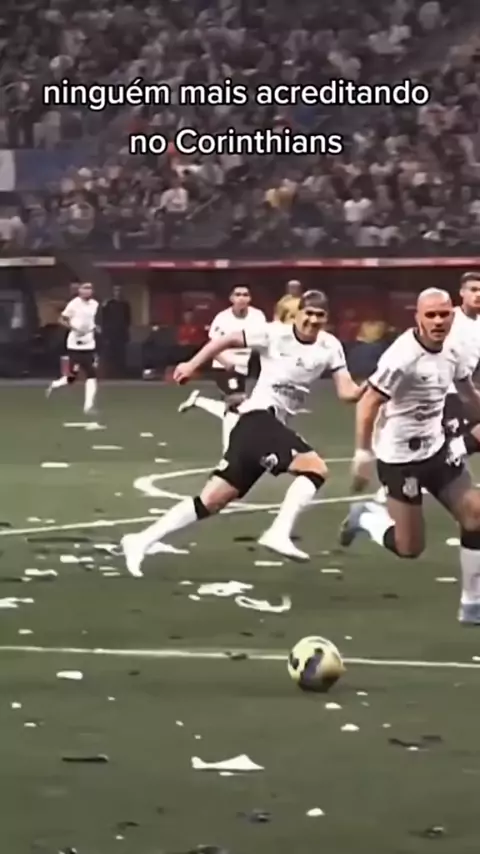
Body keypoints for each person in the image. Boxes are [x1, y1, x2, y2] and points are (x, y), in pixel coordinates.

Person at [121, 290, 364, 576]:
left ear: (327, 318)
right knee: (315, 469)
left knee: (211, 501)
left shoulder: (330, 346)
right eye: (308, 313)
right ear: (298, 313)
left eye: (319, 315)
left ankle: (140, 540)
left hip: (260, 429)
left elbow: (347, 392)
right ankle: (278, 532)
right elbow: (224, 340)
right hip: (258, 418)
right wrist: (191, 365)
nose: (312, 320)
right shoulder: (275, 334)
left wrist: (374, 386)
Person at [339, 289, 480, 621]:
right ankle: (365, 517)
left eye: (444, 314)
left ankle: (472, 603)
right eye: (430, 315)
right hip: (401, 461)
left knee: (476, 515)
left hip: (437, 449)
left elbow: (467, 390)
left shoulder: (455, 349)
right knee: (410, 548)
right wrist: (363, 453)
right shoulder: (402, 356)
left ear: (452, 315)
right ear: (417, 317)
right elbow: (368, 403)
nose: (438, 321)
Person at [178, 284, 267, 453]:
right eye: (238, 294)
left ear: (250, 298)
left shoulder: (258, 317)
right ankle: (227, 453)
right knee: (235, 403)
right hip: (224, 365)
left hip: (245, 365)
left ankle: (199, 401)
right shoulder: (222, 319)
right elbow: (212, 344)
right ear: (231, 298)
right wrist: (224, 361)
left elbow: (263, 341)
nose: (241, 298)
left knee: (238, 407)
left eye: (245, 295)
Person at [46, 282, 99, 414]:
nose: (87, 291)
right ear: (79, 291)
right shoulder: (74, 304)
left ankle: (88, 406)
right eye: (85, 288)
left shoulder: (95, 304)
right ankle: (55, 385)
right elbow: (61, 319)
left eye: (90, 288)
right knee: (72, 377)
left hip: (89, 343)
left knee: (91, 374)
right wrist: (74, 329)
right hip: (75, 344)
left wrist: (94, 328)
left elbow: (92, 320)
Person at [100, 285, 131, 377]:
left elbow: (128, 319)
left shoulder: (125, 305)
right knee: (109, 354)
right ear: (113, 292)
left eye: (119, 290)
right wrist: (105, 333)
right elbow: (104, 319)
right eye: (116, 290)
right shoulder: (108, 304)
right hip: (110, 334)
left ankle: (121, 373)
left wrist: (125, 332)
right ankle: (109, 374)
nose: (118, 292)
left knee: (121, 354)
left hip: (121, 333)